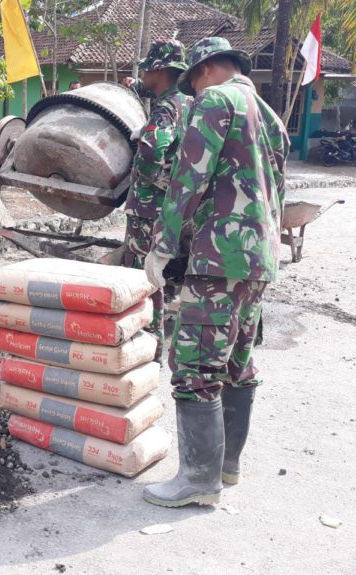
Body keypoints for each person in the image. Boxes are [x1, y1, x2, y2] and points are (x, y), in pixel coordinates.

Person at [142, 37, 289, 507]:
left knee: (195, 366)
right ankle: (227, 468)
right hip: (258, 260)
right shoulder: (268, 114)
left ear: (205, 70)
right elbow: (280, 192)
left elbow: (190, 177)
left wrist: (163, 246)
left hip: (219, 256)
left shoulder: (216, 99)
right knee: (238, 364)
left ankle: (198, 482)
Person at [120, 40, 191, 362]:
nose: (143, 74)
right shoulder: (189, 103)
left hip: (149, 208)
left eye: (147, 68)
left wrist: (149, 181)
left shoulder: (165, 107)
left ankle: (147, 347)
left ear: (160, 70)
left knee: (143, 276)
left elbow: (151, 151)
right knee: (159, 273)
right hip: (173, 207)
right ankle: (156, 346)